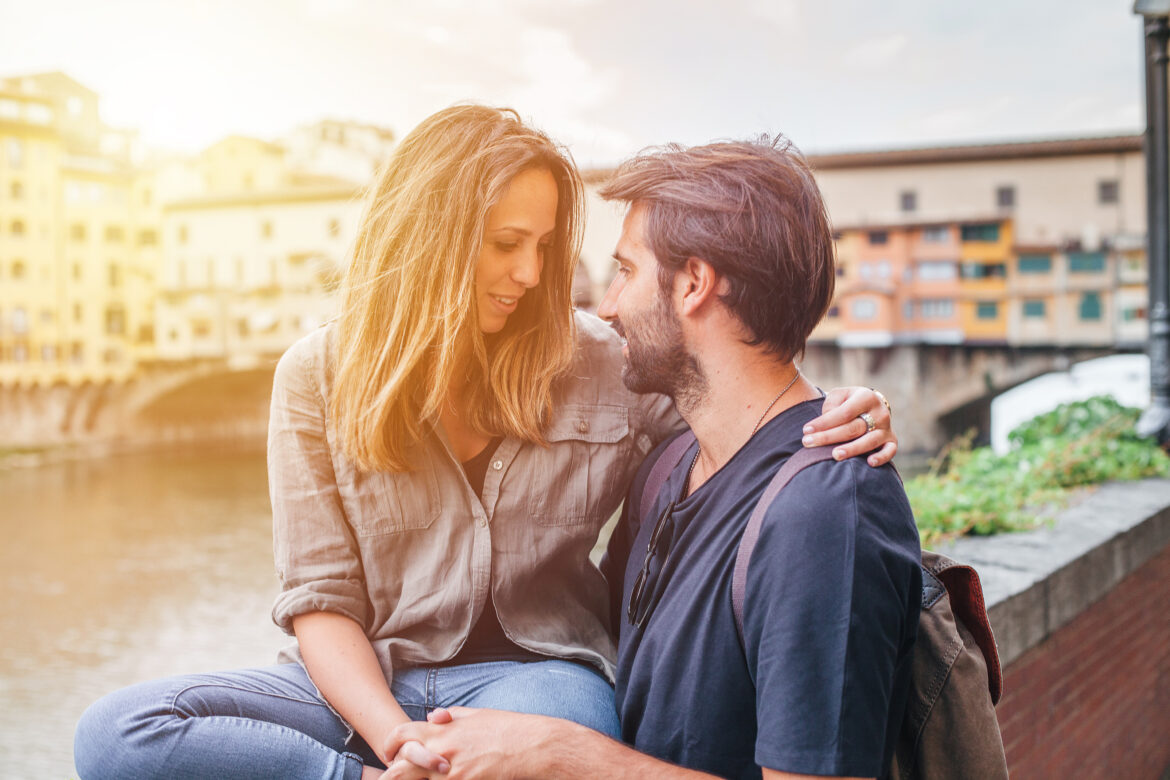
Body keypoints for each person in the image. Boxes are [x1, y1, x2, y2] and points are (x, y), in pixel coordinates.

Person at [72, 108, 897, 780]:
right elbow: (320, 600)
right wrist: (395, 742)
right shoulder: (315, 376)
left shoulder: (606, 362)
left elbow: (735, 408)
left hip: (540, 680)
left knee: (573, 719)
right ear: (429, 238)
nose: (534, 274)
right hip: (366, 683)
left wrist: (833, 413)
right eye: (507, 245)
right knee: (117, 733)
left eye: (545, 246)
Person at [381, 137, 921, 780]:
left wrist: (562, 755)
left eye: (627, 271)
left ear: (693, 283)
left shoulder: (824, 517)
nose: (607, 306)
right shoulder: (669, 470)